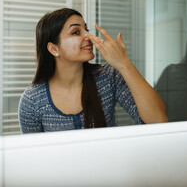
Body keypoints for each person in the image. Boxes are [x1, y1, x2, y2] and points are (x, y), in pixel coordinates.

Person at [18, 8, 168, 133]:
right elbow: (34, 156)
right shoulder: (32, 101)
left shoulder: (108, 77)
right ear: (53, 48)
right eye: (76, 32)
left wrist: (124, 64)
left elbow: (158, 121)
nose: (89, 36)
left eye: (86, 29)